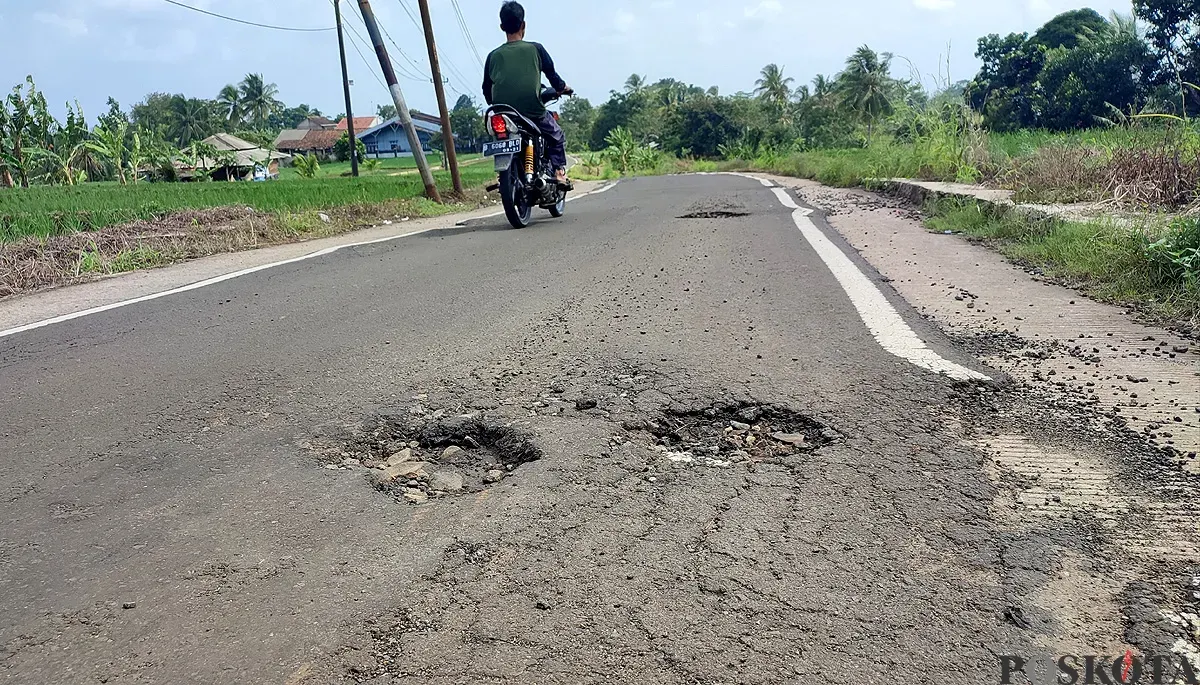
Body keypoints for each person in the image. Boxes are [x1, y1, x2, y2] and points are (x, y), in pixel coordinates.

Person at [482, 1, 574, 188]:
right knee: (556, 135)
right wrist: (563, 88)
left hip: (504, 114)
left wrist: (497, 106)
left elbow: (486, 88)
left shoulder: (492, 56)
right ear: (523, 25)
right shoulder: (536, 49)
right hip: (533, 112)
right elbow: (553, 78)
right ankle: (559, 172)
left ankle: (508, 176)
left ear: (502, 27)